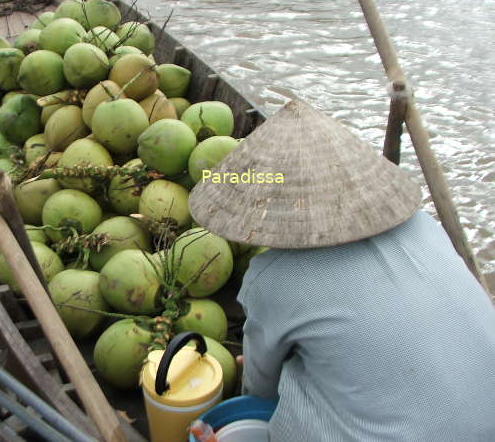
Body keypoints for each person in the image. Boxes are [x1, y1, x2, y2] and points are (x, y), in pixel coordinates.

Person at [189, 99, 495, 441]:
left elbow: (260, 389)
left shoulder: (273, 278)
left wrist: (260, 371)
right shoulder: (425, 225)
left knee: (289, 380)